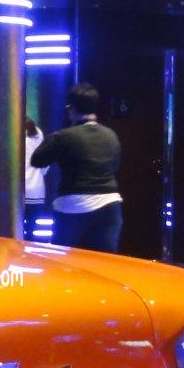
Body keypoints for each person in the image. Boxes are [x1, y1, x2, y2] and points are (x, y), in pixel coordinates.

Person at [29, 82, 122, 252]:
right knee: (104, 262)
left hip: (72, 207)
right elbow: (115, 166)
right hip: (109, 206)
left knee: (67, 262)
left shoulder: (63, 137)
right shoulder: (111, 136)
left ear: (71, 109)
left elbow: (37, 160)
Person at [23, 116, 48, 237]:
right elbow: (44, 161)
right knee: (32, 232)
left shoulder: (11, 132)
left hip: (16, 190)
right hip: (36, 189)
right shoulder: (37, 132)